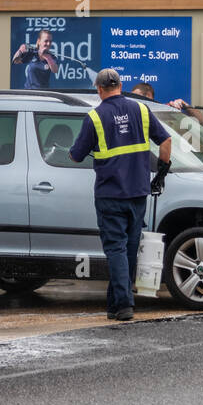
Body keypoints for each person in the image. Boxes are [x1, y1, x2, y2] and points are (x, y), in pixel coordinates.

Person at [69, 68, 172, 321]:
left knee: (115, 249)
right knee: (128, 250)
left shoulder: (94, 117)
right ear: (121, 85)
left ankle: (125, 305)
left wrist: (74, 151)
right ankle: (115, 304)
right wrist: (161, 171)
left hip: (110, 194)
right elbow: (166, 141)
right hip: (138, 194)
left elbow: (76, 155)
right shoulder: (142, 110)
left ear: (99, 89)